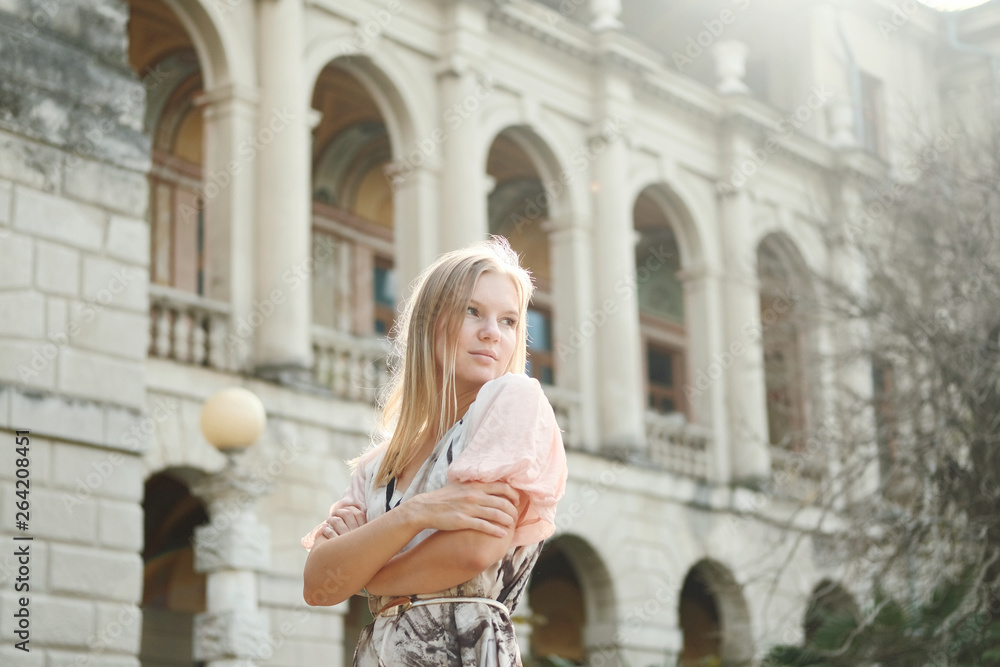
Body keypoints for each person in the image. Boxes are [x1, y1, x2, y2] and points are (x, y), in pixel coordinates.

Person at [301, 237, 568, 666]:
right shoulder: (378, 464)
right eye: (472, 311)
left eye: (509, 321)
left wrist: (364, 572)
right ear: (431, 320)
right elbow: (319, 586)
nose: (491, 333)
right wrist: (416, 513)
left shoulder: (514, 401)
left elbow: (473, 551)